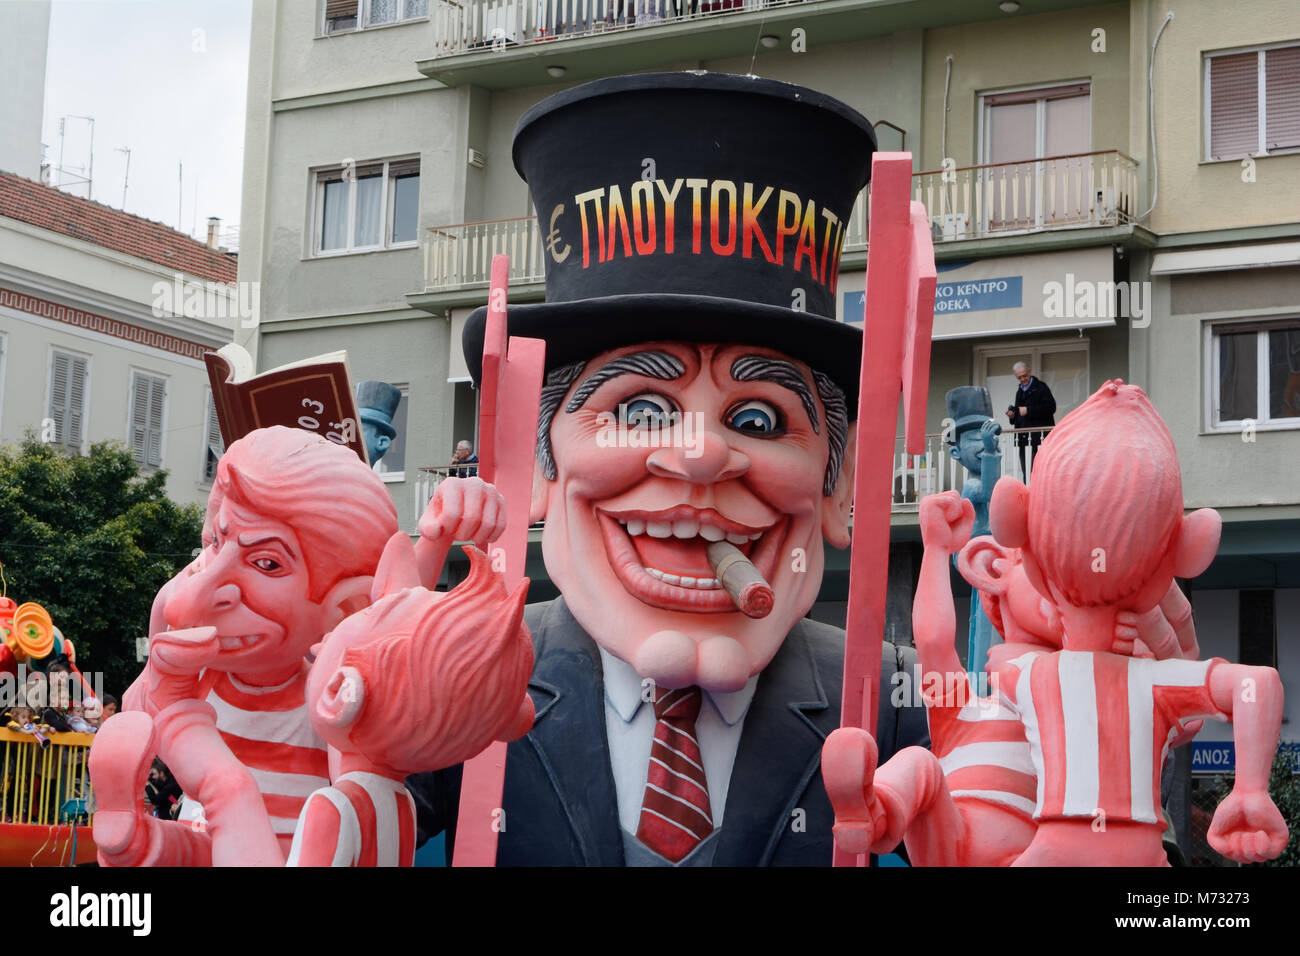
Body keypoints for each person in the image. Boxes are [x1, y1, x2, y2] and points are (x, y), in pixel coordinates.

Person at [406, 72, 928, 866]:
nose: (700, 452)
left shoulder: (900, 706)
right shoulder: (460, 682)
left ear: (838, 480)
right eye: (641, 409)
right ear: (537, 463)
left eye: (757, 418)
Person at [1005, 362, 1056, 481]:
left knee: (1040, 474)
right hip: (1023, 440)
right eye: (1019, 377)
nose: (1023, 379)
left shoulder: (1041, 387)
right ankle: (1029, 498)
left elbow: (1051, 408)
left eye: (1025, 376)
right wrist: (1012, 416)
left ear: (1029, 372)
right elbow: (1019, 415)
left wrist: (1028, 410)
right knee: (1027, 475)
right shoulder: (1019, 391)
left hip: (1039, 439)